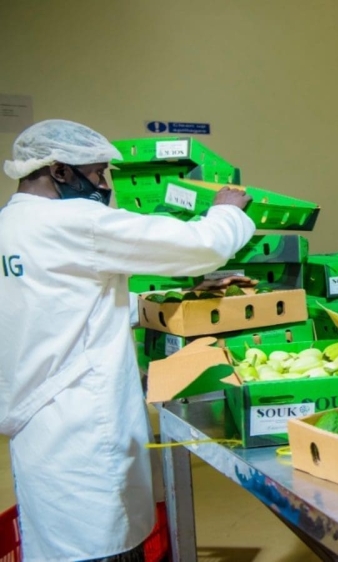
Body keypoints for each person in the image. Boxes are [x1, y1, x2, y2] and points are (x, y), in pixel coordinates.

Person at [0, 120, 257, 561]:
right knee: (101, 543)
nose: (102, 185)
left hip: (36, 422)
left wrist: (166, 298)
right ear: (60, 171)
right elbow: (202, 246)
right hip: (83, 424)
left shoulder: (11, 223)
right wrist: (228, 210)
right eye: (98, 174)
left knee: (56, 543)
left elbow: (62, 300)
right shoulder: (77, 222)